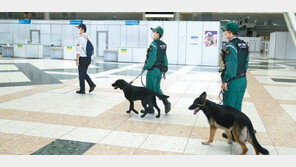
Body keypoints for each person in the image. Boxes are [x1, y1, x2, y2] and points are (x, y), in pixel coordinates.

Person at [220, 21, 250, 139]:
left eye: (225, 31)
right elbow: (246, 63)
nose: (224, 33)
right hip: (242, 80)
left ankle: (231, 133)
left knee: (229, 107)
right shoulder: (244, 45)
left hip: (233, 81)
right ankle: (238, 131)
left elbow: (231, 67)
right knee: (238, 107)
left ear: (230, 32)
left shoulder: (231, 46)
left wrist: (225, 81)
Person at [141, 26, 171, 114]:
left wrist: (145, 67)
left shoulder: (153, 45)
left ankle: (150, 108)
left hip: (152, 70)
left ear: (158, 34)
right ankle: (166, 102)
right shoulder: (163, 45)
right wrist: (164, 68)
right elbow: (164, 57)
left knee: (150, 89)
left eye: (154, 31)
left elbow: (152, 59)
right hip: (159, 70)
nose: (153, 33)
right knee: (157, 88)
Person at [75, 23, 96, 94]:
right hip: (88, 58)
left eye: (79, 29)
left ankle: (82, 89)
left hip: (82, 58)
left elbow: (79, 50)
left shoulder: (80, 38)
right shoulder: (88, 37)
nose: (78, 30)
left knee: (81, 75)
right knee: (83, 73)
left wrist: (77, 59)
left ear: (83, 30)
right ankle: (91, 85)